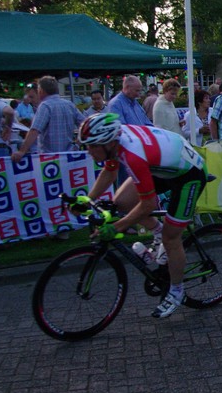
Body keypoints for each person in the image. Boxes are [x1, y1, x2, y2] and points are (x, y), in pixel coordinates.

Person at [76, 113, 208, 318]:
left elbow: (147, 205)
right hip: (163, 167)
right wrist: (87, 200)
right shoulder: (115, 143)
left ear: (108, 142)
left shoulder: (132, 155)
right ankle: (157, 231)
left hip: (189, 176)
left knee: (171, 238)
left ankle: (176, 292)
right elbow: (110, 171)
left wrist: (116, 227)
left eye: (92, 146)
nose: (89, 151)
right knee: (121, 202)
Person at [11, 75, 85, 161]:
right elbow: (87, 125)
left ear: (41, 91)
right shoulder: (69, 105)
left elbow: (34, 130)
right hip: (68, 156)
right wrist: (77, 145)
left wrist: (21, 151)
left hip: (49, 158)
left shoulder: (45, 106)